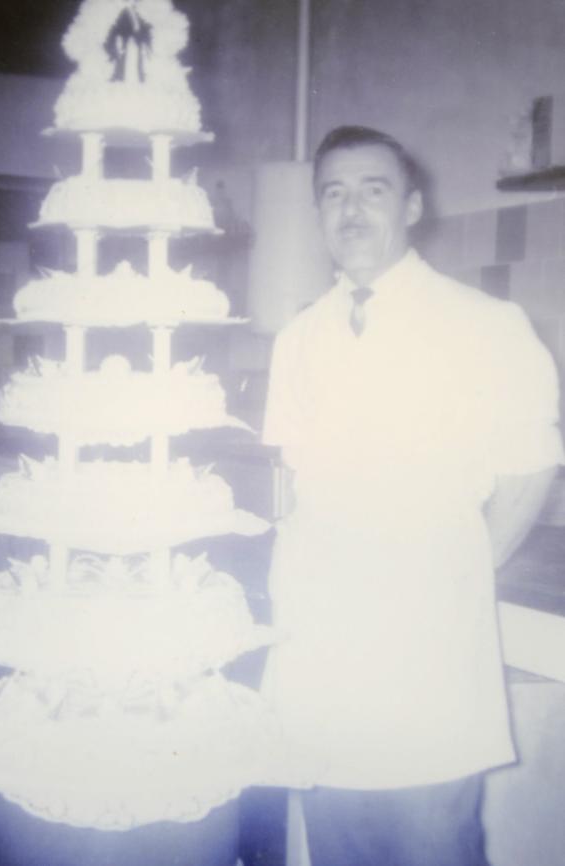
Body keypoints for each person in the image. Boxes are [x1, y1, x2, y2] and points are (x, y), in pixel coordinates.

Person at [261, 125, 563, 866]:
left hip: (424, 648)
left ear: (414, 206)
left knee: (431, 843)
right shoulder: (298, 338)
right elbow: (300, 479)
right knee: (337, 844)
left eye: (374, 190)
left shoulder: (487, 326)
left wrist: (452, 573)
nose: (352, 210)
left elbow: (530, 470)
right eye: (333, 193)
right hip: (323, 644)